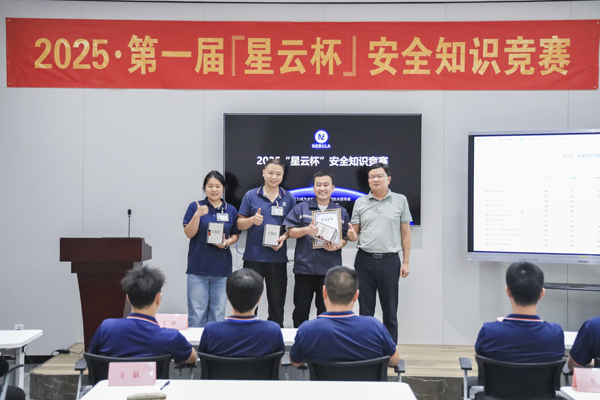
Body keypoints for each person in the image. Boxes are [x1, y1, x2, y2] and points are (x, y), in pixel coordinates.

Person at [284, 171, 357, 327]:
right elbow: (290, 232)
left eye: (326, 185)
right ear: (313, 188)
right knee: (300, 311)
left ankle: (324, 340)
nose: (322, 188)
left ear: (333, 188)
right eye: (318, 185)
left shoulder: (341, 211)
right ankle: (300, 339)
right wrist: (305, 230)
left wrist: (339, 244)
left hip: (330, 270)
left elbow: (345, 238)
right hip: (304, 269)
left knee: (326, 312)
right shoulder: (301, 208)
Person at [350, 162, 411, 344]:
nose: (375, 179)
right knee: (365, 310)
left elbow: (406, 234)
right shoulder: (360, 202)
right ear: (368, 181)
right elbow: (354, 233)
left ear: (388, 179)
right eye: (372, 177)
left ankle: (390, 348)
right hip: (364, 260)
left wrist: (406, 262)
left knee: (390, 309)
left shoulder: (400, 200)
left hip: (390, 261)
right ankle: (366, 348)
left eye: (379, 176)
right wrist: (351, 235)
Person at [290, 266, 400, 366]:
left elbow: (296, 362)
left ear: (324, 292)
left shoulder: (307, 330)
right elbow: (394, 360)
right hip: (364, 383)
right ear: (356, 295)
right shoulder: (375, 327)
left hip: (325, 383)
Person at [89, 265, 197, 364]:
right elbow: (192, 358)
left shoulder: (106, 328)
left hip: (111, 380)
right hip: (155, 381)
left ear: (128, 298)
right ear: (158, 298)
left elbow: (92, 358)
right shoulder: (171, 337)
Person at [237, 158, 296, 327]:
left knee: (277, 305)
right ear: (263, 173)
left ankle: (275, 337)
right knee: (248, 303)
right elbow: (239, 224)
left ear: (282, 176)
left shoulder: (289, 198)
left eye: (278, 174)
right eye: (270, 173)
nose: (274, 177)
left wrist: (284, 237)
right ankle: (248, 333)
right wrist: (251, 220)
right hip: (253, 258)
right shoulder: (251, 195)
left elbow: (292, 228)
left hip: (277, 258)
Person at [474, 262, 564, 363]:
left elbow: (479, 359)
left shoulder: (489, 331)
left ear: (508, 291)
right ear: (542, 293)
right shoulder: (555, 333)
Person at [183, 170, 240, 327]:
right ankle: (196, 344)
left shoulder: (231, 209)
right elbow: (189, 233)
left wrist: (227, 242)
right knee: (197, 314)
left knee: (218, 314)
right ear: (205, 188)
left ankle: (214, 343)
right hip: (198, 269)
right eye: (210, 186)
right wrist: (197, 215)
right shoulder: (195, 206)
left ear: (223, 188)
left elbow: (235, 235)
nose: (214, 190)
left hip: (221, 270)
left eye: (218, 186)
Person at [199, 269, 285, 356]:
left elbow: (202, 359)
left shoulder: (211, 331)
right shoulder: (273, 331)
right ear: (259, 299)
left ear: (227, 296)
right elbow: (278, 361)